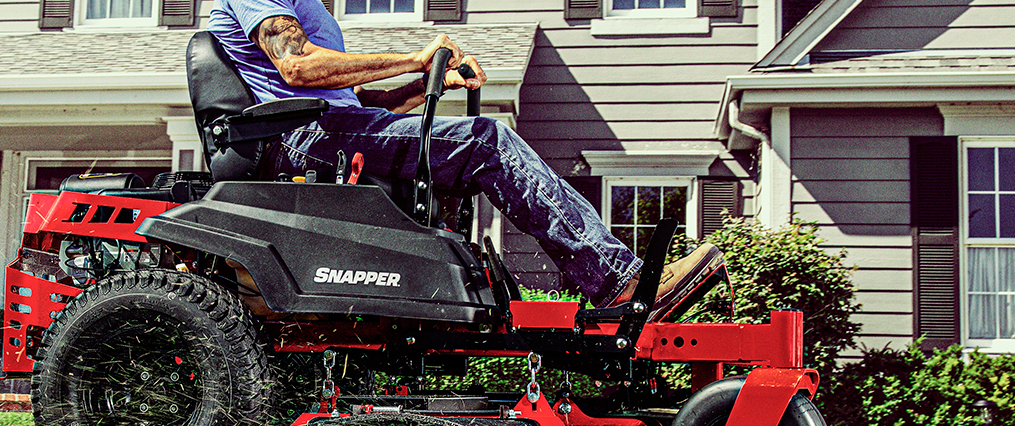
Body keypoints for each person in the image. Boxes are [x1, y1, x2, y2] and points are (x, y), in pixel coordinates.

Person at [209, 0, 725, 320]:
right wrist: (415, 55)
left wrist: (427, 81)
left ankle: (592, 277)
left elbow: (362, 107)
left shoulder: (303, 5)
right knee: (486, 142)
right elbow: (298, 69)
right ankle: (616, 282)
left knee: (476, 142)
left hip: (333, 128)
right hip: (304, 137)